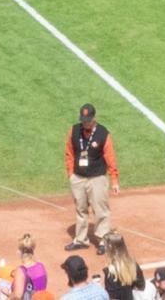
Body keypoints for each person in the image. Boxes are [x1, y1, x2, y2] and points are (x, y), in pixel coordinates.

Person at [63, 105, 116, 254]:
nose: (85, 123)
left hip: (97, 178)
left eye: (88, 120)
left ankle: (103, 241)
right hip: (78, 178)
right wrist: (71, 174)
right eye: (83, 120)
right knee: (81, 209)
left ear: (94, 118)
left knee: (100, 210)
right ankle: (80, 240)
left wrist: (114, 179)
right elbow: (69, 152)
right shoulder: (74, 131)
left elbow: (110, 157)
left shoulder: (103, 133)